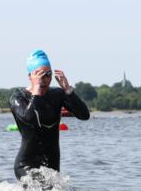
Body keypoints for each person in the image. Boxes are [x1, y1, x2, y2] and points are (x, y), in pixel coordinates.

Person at [10, 50, 90, 179]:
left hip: (52, 165)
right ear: (31, 75)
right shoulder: (18, 97)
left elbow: (84, 115)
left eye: (48, 74)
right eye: (41, 74)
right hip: (26, 165)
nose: (45, 79)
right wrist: (36, 90)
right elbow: (29, 118)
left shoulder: (57, 94)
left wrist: (68, 90)